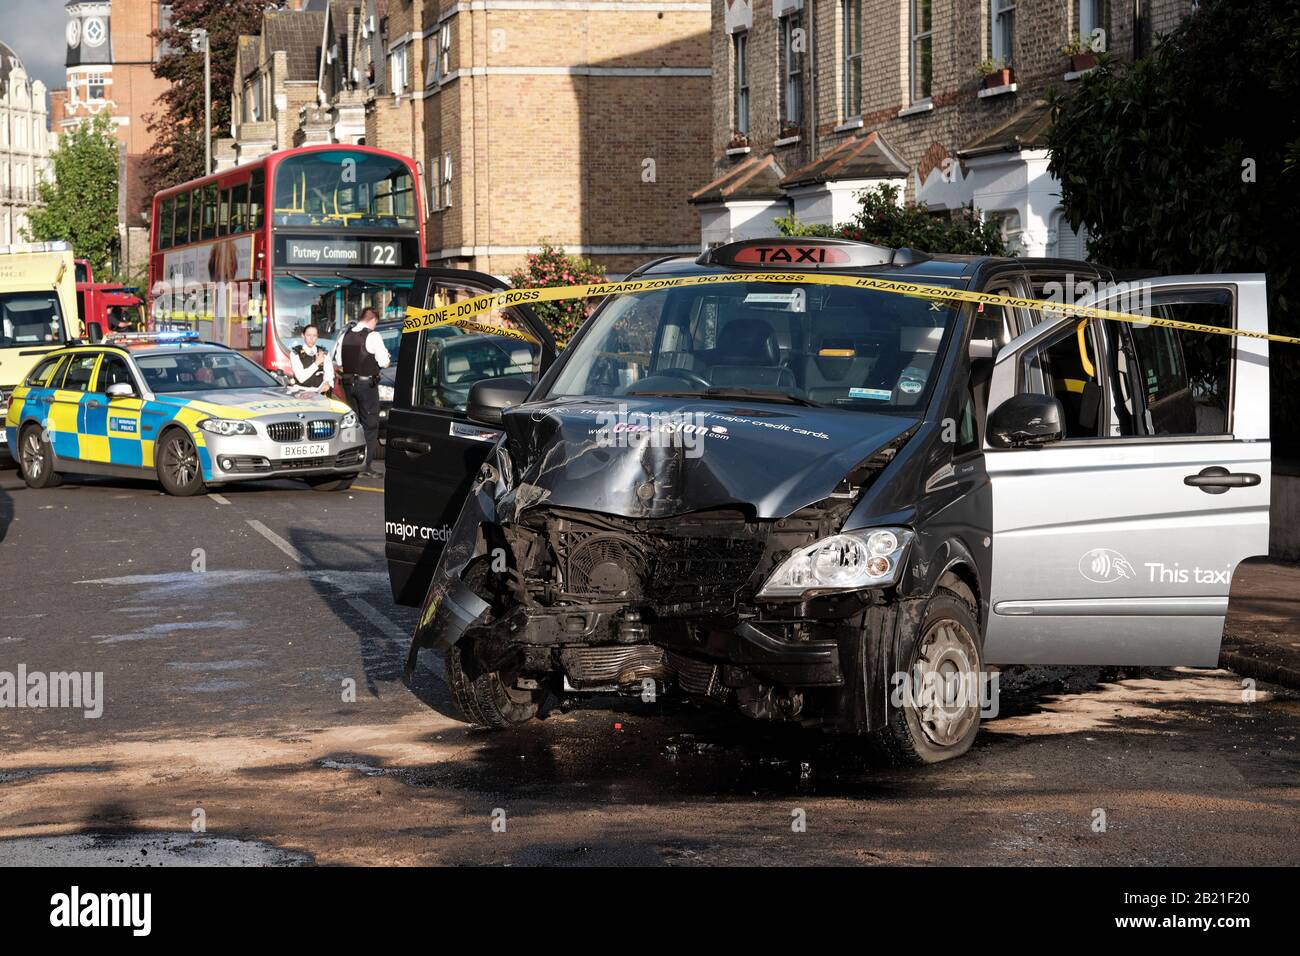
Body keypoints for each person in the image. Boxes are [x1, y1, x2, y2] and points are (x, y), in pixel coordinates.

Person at [335, 307, 390, 478]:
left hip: (348, 384)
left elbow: (338, 360)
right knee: (370, 424)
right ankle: (365, 465)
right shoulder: (373, 335)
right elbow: (385, 362)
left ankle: (351, 461)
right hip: (366, 385)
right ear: (373, 319)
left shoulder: (345, 334)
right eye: (376, 323)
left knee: (353, 422)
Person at [290, 323, 335, 394]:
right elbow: (301, 378)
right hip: (301, 391)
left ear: (317, 337)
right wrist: (316, 363)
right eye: (308, 335)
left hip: (319, 392)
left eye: (314, 335)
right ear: (303, 336)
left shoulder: (323, 352)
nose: (311, 338)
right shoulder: (295, 353)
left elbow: (329, 372)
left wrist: (327, 382)